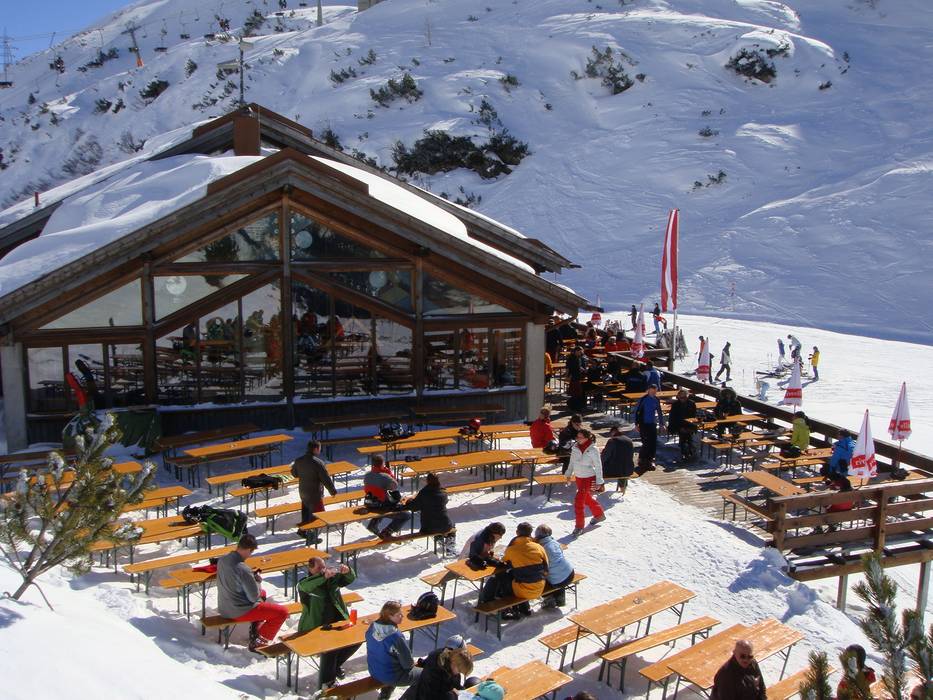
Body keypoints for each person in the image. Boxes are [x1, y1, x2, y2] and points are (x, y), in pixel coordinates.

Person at [216, 534, 289, 651]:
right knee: (282, 612)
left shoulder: (222, 560)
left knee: (263, 594)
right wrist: (257, 581)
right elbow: (254, 597)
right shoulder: (243, 568)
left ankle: (255, 631)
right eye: (251, 552)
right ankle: (259, 643)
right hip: (237, 611)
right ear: (249, 550)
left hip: (224, 606)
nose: (250, 555)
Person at [296, 557, 358, 687]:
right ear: (310, 569)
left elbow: (350, 579)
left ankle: (334, 666)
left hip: (338, 621)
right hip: (317, 625)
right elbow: (305, 586)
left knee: (356, 640)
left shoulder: (332, 579)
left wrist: (347, 571)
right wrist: (323, 577)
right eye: (319, 568)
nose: (323, 570)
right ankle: (328, 682)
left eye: (323, 567)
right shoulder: (305, 583)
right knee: (331, 648)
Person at [479, 522, 548, 618]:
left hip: (523, 591)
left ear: (517, 532)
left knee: (501, 575)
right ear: (531, 533)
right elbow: (546, 567)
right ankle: (525, 608)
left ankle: (494, 603)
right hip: (540, 587)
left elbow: (503, 563)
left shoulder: (512, 549)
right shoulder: (539, 547)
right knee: (521, 575)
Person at [366, 601, 419, 699]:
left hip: (374, 670)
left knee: (391, 660)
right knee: (425, 675)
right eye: (399, 615)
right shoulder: (395, 636)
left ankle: (386, 692)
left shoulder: (372, 627)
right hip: (390, 676)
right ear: (389, 616)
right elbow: (408, 664)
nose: (402, 616)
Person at [290, 440, 337, 542]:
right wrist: (332, 490)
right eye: (319, 448)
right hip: (315, 493)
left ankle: (302, 530)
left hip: (303, 491)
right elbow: (325, 479)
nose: (320, 450)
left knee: (306, 512)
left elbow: (294, 474)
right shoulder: (318, 463)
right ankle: (312, 537)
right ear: (315, 449)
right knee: (318, 516)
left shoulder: (298, 460)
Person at [566, 428, 606, 536]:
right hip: (579, 477)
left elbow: (598, 466)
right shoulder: (575, 448)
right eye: (577, 437)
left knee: (579, 501)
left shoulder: (593, 450)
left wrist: (599, 481)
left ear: (587, 438)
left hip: (588, 477)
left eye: (580, 437)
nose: (578, 439)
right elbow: (571, 462)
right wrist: (568, 474)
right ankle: (599, 514)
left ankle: (579, 526)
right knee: (586, 498)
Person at [400, 646, 475, 700]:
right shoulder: (435, 668)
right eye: (459, 670)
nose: (458, 673)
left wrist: (462, 691)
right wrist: (454, 695)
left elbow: (454, 684)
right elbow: (432, 695)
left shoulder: (451, 668)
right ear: (454, 662)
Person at [407, 472, 455, 555]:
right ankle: (450, 546)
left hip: (428, 528)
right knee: (452, 525)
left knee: (434, 523)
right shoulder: (443, 492)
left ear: (427, 481)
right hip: (445, 526)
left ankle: (439, 538)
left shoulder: (424, 493)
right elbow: (445, 501)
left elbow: (414, 507)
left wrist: (409, 501)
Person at [363, 456, 410, 539]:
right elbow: (394, 486)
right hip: (382, 506)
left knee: (381, 499)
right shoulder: (385, 476)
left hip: (370, 503)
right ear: (382, 464)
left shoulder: (367, 475)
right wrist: (388, 472)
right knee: (406, 515)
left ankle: (373, 524)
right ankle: (387, 531)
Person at [534, 524, 574, 607]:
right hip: (570, 573)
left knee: (540, 579)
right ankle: (560, 600)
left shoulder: (540, 548)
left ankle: (549, 599)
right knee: (557, 571)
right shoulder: (554, 542)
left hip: (557, 581)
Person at [635, 384, 665, 472]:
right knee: (646, 442)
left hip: (652, 423)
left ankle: (650, 460)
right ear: (648, 390)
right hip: (643, 423)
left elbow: (659, 412)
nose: (653, 393)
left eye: (655, 392)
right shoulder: (643, 399)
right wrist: (636, 424)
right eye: (652, 391)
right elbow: (637, 411)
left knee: (653, 443)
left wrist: (661, 424)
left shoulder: (656, 399)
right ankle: (641, 459)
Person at [601, 425, 635, 492]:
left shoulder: (612, 440)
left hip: (614, 471)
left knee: (598, 468)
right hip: (629, 470)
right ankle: (623, 488)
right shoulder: (629, 440)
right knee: (623, 463)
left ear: (613, 432)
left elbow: (605, 456)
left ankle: (600, 488)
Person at [667, 389, 698, 461]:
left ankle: (689, 451)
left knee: (688, 435)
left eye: (684, 397)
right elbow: (673, 418)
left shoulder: (692, 403)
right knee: (683, 435)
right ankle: (685, 452)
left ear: (687, 397)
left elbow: (693, 416)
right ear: (678, 397)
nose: (683, 399)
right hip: (678, 424)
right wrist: (679, 427)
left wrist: (691, 426)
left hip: (689, 424)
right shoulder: (675, 404)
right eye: (681, 397)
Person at [566, 346, 587, 411]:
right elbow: (569, 368)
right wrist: (567, 376)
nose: (581, 353)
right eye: (580, 352)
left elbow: (579, 366)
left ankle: (576, 406)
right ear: (576, 351)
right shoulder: (571, 358)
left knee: (578, 393)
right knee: (576, 393)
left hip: (579, 377)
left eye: (581, 352)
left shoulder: (579, 358)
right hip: (574, 377)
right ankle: (573, 406)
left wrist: (583, 370)